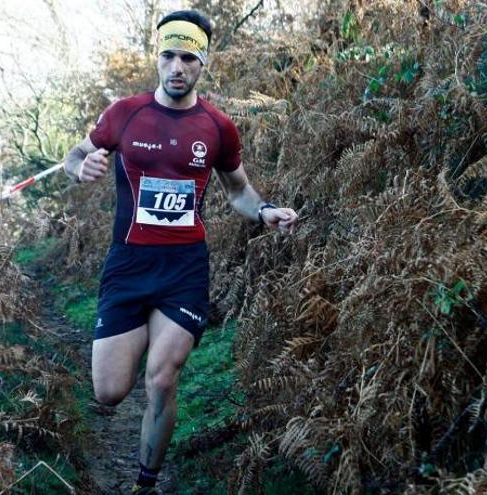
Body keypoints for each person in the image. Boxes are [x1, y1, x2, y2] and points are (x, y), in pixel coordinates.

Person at [62, 10, 298, 494]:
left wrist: (265, 210)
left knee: (162, 378)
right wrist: (80, 169)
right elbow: (73, 156)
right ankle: (140, 339)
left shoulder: (217, 126)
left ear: (202, 64)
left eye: (187, 58)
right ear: (157, 57)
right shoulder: (124, 113)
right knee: (109, 392)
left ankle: (146, 484)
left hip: (184, 268)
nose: (176, 67)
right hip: (127, 265)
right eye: (168, 55)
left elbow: (238, 191)